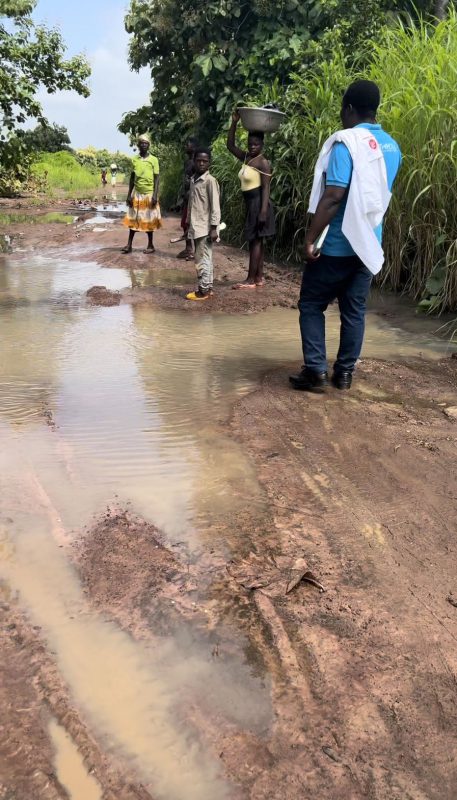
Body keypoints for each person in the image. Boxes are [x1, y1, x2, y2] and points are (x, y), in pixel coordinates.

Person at [290, 80, 402, 393]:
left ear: (349, 108)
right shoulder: (391, 146)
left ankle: (315, 371)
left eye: (343, 110)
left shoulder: (346, 144)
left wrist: (310, 238)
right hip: (368, 245)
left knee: (311, 304)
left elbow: (334, 194)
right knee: (353, 313)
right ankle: (344, 374)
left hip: (337, 244)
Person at [226, 110, 275, 288]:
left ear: (262, 144)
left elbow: (266, 187)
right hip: (251, 204)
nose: (252, 146)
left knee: (255, 241)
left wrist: (262, 211)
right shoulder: (247, 158)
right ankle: (259, 278)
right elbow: (230, 146)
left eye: (256, 144)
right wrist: (234, 123)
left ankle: (250, 279)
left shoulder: (263, 162)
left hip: (259, 204)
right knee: (256, 241)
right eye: (250, 143)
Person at [185, 148, 221, 301]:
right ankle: (208, 287)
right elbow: (192, 203)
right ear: (194, 161)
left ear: (209, 163)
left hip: (205, 228)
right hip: (196, 225)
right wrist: (187, 221)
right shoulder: (194, 179)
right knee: (206, 258)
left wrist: (214, 228)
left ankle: (203, 291)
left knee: (201, 259)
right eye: (198, 160)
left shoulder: (210, 181)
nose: (201, 163)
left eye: (204, 161)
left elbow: (215, 206)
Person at [122, 134, 162, 255]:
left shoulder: (154, 160)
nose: (144, 145)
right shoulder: (135, 159)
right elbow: (132, 178)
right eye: (142, 143)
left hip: (149, 194)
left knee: (148, 220)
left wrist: (155, 195)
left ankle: (150, 245)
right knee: (133, 219)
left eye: (146, 143)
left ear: (148, 145)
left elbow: (157, 178)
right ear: (138, 145)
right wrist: (129, 195)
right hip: (137, 194)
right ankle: (129, 245)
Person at [177, 136, 198, 260]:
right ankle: (188, 248)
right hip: (186, 196)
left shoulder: (196, 162)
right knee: (185, 223)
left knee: (191, 223)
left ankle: (192, 250)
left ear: (194, 147)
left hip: (193, 197)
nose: (186, 147)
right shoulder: (188, 161)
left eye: (188, 145)